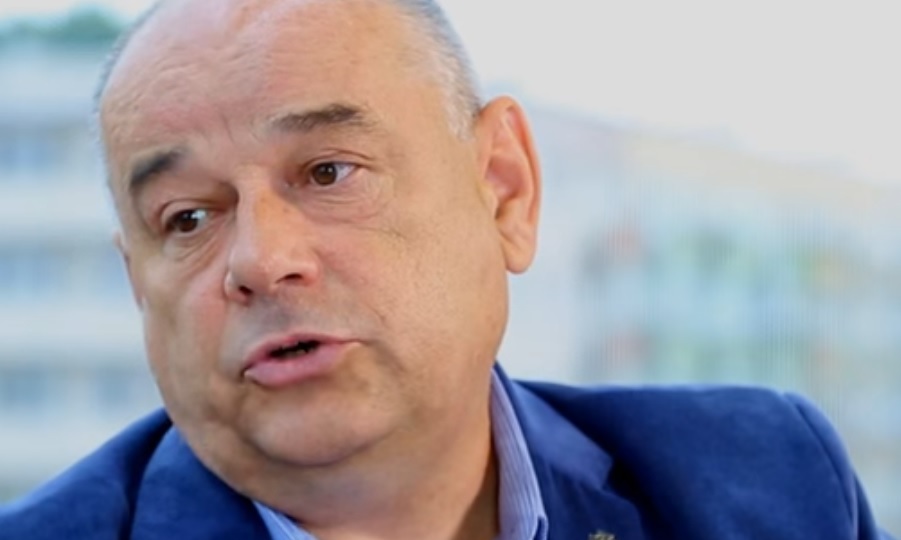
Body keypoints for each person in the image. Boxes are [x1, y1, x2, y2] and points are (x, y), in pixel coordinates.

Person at [0, 0, 894, 538]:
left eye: (328, 172)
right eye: (188, 219)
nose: (263, 261)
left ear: (503, 190)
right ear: (138, 286)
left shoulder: (766, 484)